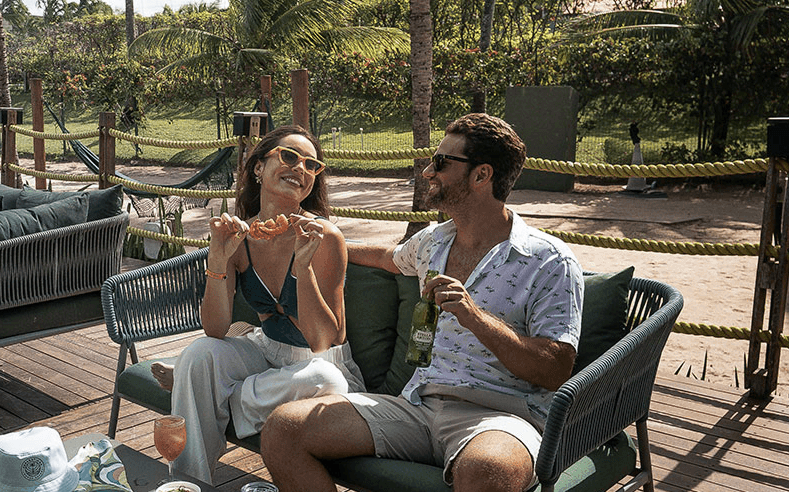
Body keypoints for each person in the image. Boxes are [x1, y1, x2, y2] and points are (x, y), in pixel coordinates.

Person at [260, 113, 584, 492]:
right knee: (284, 430)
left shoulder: (548, 261)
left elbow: (555, 370)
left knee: (486, 472)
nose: (429, 171)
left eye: (442, 162)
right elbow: (386, 257)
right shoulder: (434, 241)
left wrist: (475, 317)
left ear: (481, 176)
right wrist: (320, 239)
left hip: (500, 416)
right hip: (417, 404)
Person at [156, 125, 364, 484]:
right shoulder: (240, 236)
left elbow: (322, 341)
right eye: (288, 156)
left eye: (311, 165)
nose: (300, 168)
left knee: (324, 378)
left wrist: (303, 268)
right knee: (199, 354)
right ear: (258, 168)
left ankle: (214, 399)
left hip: (318, 366)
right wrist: (218, 260)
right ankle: (188, 483)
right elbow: (216, 329)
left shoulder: (324, 237)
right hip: (266, 354)